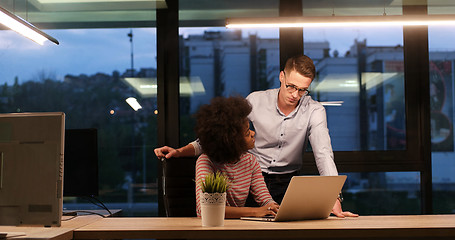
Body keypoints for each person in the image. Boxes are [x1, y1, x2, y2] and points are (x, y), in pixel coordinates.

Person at [155, 54, 358, 218]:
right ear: (282, 77)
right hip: (252, 179)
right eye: (291, 86)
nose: (295, 95)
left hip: (287, 183)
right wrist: (181, 151)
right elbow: (223, 132)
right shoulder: (256, 100)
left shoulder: (315, 111)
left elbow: (323, 153)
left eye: (303, 90)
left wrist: (334, 197)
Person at [194, 96, 279, 218]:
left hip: (236, 228)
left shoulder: (250, 161)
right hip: (211, 230)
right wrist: (255, 212)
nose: (253, 133)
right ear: (231, 141)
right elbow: (206, 208)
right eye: (247, 132)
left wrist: (274, 208)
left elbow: (264, 198)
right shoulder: (206, 162)